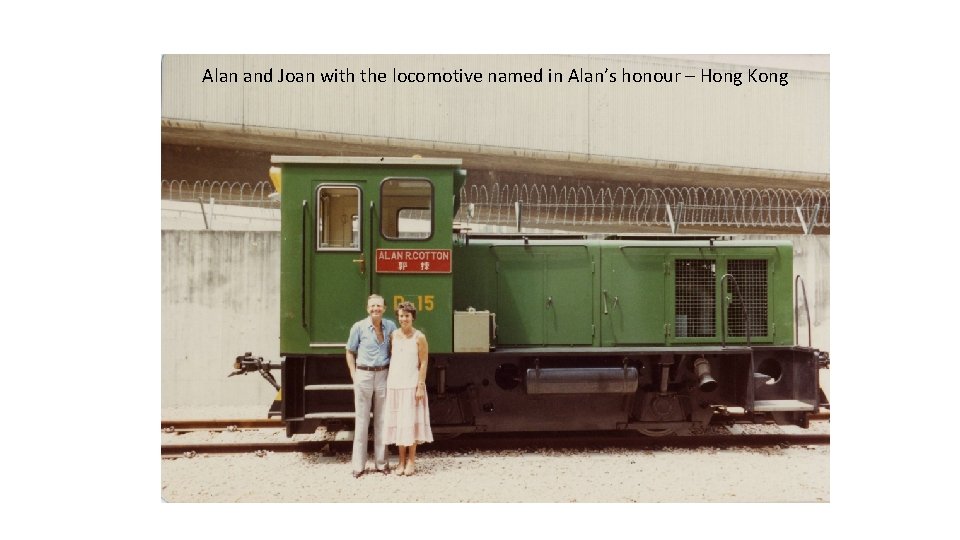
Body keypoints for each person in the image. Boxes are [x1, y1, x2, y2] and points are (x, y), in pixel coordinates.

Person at [345, 294, 397, 478]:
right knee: (362, 420)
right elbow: (349, 351)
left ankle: (381, 464)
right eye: (373, 306)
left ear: (384, 308)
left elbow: (395, 349)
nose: (376, 309)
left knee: (382, 420)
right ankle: (358, 466)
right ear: (368, 309)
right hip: (364, 374)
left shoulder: (390, 326)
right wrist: (354, 375)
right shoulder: (358, 327)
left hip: (383, 374)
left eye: (379, 306)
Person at [384, 301, 434, 476]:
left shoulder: (419, 337)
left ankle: (411, 461)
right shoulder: (393, 335)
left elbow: (424, 362)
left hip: (412, 385)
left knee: (410, 424)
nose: (403, 319)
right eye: (401, 316)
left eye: (407, 315)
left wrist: (420, 386)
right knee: (400, 424)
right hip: (395, 385)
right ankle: (401, 461)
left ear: (413, 317)